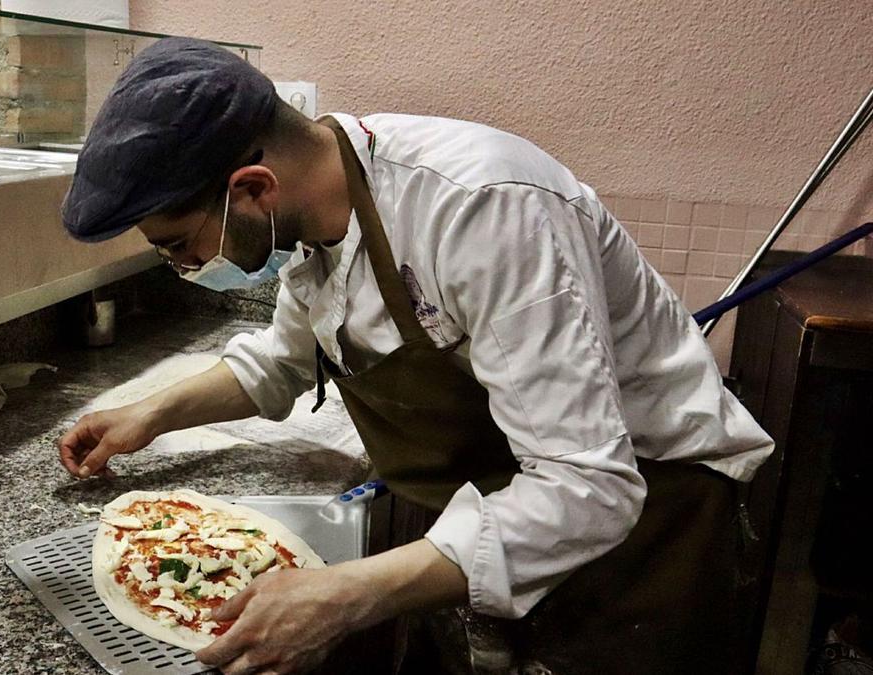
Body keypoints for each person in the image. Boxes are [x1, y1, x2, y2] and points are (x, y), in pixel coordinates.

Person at [56, 36, 774, 675]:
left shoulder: (483, 209)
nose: (185, 266)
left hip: (648, 531)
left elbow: (587, 486)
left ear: (252, 189)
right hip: (487, 507)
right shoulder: (311, 221)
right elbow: (283, 358)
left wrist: (349, 594)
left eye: (181, 245)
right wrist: (149, 414)